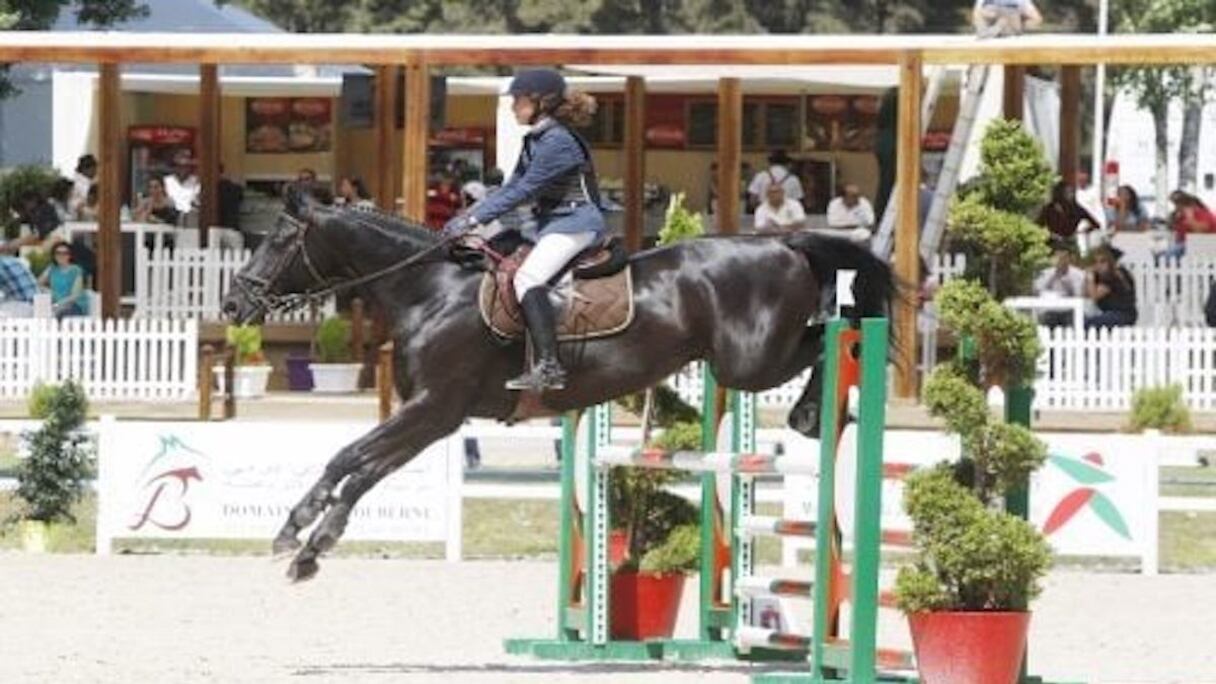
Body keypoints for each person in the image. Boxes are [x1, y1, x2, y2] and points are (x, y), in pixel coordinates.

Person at [443, 68, 606, 392]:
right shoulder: (537, 138)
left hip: (575, 223)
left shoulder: (558, 141)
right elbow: (510, 186)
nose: (513, 106)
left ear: (541, 102)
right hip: (551, 224)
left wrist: (473, 221)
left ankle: (549, 367)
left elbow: (524, 191)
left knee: (527, 278)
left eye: (518, 100)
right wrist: (466, 216)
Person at [1034, 241, 1086, 327]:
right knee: (1047, 319)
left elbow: (1079, 295)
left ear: (1069, 258)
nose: (1061, 260)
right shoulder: (1046, 273)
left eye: (1064, 257)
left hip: (1070, 309)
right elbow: (1038, 291)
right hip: (1051, 308)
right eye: (1058, 257)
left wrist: (1068, 284)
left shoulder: (1078, 274)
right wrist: (1054, 276)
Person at [1085, 246, 1137, 329]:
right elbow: (1085, 294)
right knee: (1082, 319)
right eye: (1095, 262)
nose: (1098, 265)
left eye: (1102, 262)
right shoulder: (1118, 272)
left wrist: (1090, 277)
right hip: (1115, 314)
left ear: (1110, 262)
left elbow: (1094, 296)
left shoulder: (1112, 276)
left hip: (1121, 315)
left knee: (1087, 324)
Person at [0, 190, 62, 255]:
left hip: (52, 244)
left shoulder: (44, 211)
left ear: (32, 201)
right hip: (42, 243)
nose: (25, 207)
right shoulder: (34, 211)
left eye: (24, 203)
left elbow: (38, 234)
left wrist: (13, 244)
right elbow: (21, 220)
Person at [38, 241, 87, 318]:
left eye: (65, 253)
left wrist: (57, 305)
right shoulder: (52, 269)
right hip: (56, 305)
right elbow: (37, 284)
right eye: (58, 253)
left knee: (57, 315)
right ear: (54, 255)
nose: (61, 256)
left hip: (73, 305)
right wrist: (46, 289)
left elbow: (75, 296)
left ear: (70, 255)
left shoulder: (76, 270)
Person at [1163, 190, 1216, 261]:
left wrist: (1190, 218)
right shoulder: (1181, 216)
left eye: (1179, 204)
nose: (1177, 207)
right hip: (1186, 246)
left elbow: (1200, 233)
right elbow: (1172, 228)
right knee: (1160, 254)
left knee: (1167, 256)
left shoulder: (1203, 214)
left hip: (1202, 248)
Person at [973, 0, 1042, 37]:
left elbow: (1037, 19)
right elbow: (976, 16)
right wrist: (995, 18)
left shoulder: (1019, 1)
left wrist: (1019, 24)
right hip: (988, 39)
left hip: (1012, 41)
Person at [163, 149, 199, 216]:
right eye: (179, 166)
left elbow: (197, 201)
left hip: (190, 216)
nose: (183, 169)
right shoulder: (167, 181)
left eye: (186, 166)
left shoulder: (196, 181)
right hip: (171, 215)